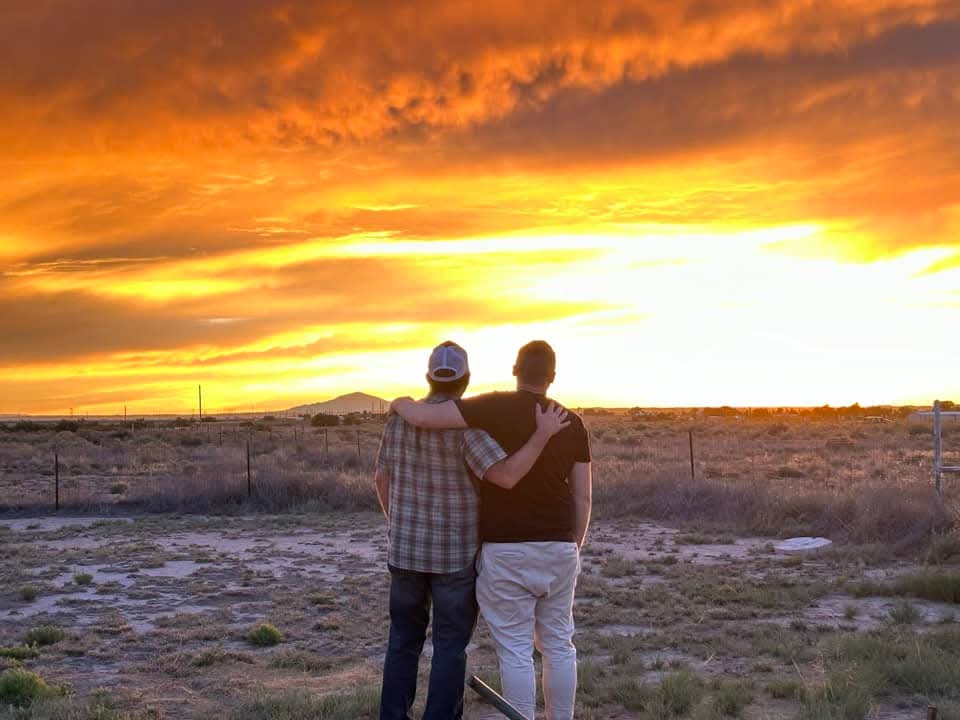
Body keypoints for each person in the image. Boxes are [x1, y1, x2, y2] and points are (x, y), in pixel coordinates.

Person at [391, 340, 592, 720]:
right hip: (559, 547)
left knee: (516, 648)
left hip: (506, 548)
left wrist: (399, 403)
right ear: (552, 376)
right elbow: (583, 497)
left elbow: (424, 418)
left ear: (515, 370)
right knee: (559, 645)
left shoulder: (493, 407)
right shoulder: (572, 422)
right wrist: (573, 547)